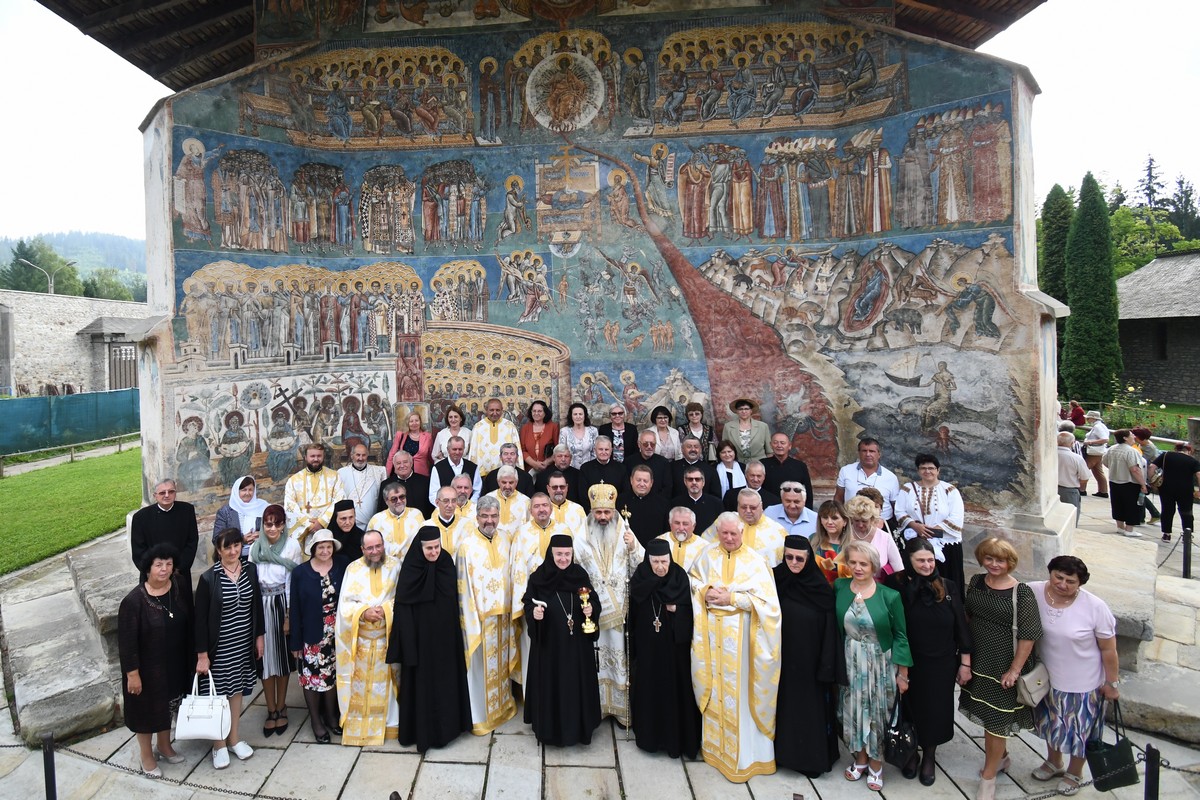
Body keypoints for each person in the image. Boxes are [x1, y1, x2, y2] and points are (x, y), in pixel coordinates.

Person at [689, 512, 782, 782]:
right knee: (716, 690)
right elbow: (692, 579)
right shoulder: (707, 555)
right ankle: (716, 750)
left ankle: (747, 758)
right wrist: (704, 591)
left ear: (742, 532)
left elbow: (770, 607)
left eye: (733, 533)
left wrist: (734, 598)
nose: (728, 538)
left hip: (743, 644)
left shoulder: (756, 562)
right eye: (724, 533)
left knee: (739, 698)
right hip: (711, 638)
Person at [959, 538, 1043, 800]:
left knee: (996, 722)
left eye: (1000, 560)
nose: (994, 564)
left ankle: (988, 777)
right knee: (986, 716)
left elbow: (1029, 635)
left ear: (1010, 562)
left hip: (1004, 664)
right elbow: (968, 617)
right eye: (989, 559)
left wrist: (1014, 670)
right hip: (979, 659)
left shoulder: (1022, 593)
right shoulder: (976, 582)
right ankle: (1001, 758)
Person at [1029, 556, 1120, 797]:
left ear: (1080, 583)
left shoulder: (1095, 606)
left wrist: (1112, 683)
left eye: (1070, 581)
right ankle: (1053, 761)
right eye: (1058, 577)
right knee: (1051, 723)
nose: (1062, 584)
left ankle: (1074, 772)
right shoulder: (1033, 591)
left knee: (1079, 730)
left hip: (1084, 681)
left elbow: (1109, 649)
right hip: (1046, 676)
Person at [886, 539, 972, 785]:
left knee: (935, 710)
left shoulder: (947, 586)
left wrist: (965, 662)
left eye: (930, 560)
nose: (926, 565)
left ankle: (930, 756)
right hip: (908, 661)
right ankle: (911, 751)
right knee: (910, 708)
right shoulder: (897, 583)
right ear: (909, 561)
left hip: (940, 662)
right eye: (920, 560)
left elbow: (961, 626)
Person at [835, 540, 912, 792]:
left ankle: (876, 764)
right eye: (853, 562)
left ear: (874, 566)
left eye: (863, 564)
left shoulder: (889, 596)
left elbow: (901, 635)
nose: (857, 568)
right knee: (853, 710)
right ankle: (860, 758)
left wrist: (903, 673)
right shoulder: (840, 587)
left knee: (878, 713)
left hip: (880, 663)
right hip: (849, 660)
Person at [387, 526, 472, 753]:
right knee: (421, 686)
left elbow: (452, 598)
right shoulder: (411, 567)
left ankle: (448, 729)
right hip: (420, 640)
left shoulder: (445, 562)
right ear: (420, 547)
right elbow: (403, 605)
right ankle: (421, 733)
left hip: (445, 639)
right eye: (429, 548)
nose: (434, 552)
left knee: (446, 684)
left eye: (436, 547)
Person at [774, 535, 846, 778]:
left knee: (809, 711)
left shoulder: (820, 590)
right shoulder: (776, 579)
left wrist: (826, 665)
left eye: (799, 558)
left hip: (810, 664)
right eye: (789, 557)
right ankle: (783, 756)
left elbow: (829, 632)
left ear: (808, 559)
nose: (793, 562)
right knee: (783, 709)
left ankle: (811, 760)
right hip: (781, 660)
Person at [119, 543, 192, 778]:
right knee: (146, 712)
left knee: (169, 706)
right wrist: (133, 674)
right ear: (148, 568)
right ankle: (146, 755)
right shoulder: (134, 602)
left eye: (168, 564)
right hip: (147, 671)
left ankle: (164, 745)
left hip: (174, 664)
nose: (164, 569)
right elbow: (127, 642)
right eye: (158, 564)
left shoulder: (179, 586)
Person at [195, 528, 265, 770]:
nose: (233, 551)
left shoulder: (250, 570)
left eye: (237, 546)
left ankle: (234, 738)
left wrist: (259, 637)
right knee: (218, 696)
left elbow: (257, 606)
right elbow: (200, 621)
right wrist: (202, 655)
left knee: (236, 692)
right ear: (219, 550)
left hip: (242, 645)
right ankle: (218, 744)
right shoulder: (209, 579)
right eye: (228, 547)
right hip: (219, 648)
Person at [522, 534, 602, 746]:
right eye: (559, 554)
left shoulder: (580, 575)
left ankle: (579, 729)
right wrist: (534, 615)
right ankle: (550, 730)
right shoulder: (539, 577)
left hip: (577, 647)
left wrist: (591, 608)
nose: (563, 559)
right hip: (550, 646)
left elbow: (593, 599)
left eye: (567, 554)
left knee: (577, 687)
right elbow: (529, 603)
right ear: (551, 554)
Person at [574, 483, 643, 725]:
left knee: (617, 659)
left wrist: (633, 545)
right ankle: (597, 709)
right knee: (593, 661)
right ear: (591, 512)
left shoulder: (626, 532)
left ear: (614, 512)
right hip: (590, 612)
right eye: (598, 513)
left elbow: (640, 565)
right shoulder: (580, 537)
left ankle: (619, 710)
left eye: (607, 512)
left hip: (618, 613)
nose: (603, 517)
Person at [628, 538, 700, 759]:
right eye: (656, 562)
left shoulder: (679, 577)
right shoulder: (640, 578)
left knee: (675, 691)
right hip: (648, 649)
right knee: (649, 690)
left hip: (673, 651)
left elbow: (691, 612)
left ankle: (674, 740)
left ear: (670, 559)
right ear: (648, 561)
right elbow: (633, 610)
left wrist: (677, 609)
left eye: (664, 561)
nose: (660, 567)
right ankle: (650, 739)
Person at [456, 496, 518, 734]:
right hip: (480, 620)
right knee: (482, 671)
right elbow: (463, 589)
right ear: (477, 517)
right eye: (485, 516)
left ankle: (503, 708)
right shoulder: (466, 545)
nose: (489, 521)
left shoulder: (506, 538)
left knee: (501, 668)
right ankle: (480, 716)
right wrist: (471, 622)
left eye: (493, 516)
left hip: (503, 617)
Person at [336, 530, 401, 745]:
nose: (375, 552)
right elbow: (344, 605)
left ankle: (389, 725)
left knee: (388, 686)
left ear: (384, 545)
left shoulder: (395, 566)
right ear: (362, 549)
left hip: (386, 637)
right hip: (360, 641)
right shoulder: (352, 569)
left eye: (378, 546)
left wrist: (385, 609)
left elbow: (402, 597)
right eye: (370, 548)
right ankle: (358, 727)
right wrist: (363, 611)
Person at [289, 529, 348, 743]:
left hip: (337, 634)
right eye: (321, 547)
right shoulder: (300, 573)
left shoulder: (342, 565)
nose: (325, 551)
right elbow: (295, 608)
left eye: (328, 546)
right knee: (312, 678)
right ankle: (316, 721)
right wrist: (295, 641)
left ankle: (332, 717)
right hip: (312, 636)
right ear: (313, 549)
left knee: (332, 677)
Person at [249, 504, 300, 737]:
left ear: (283, 524)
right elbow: (252, 582)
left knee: (282, 659)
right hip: (261, 604)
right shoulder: (254, 549)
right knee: (266, 660)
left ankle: (282, 705)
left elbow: (292, 580)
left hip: (281, 603)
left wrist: (288, 615)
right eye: (267, 523)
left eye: (277, 523)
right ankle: (270, 709)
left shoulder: (291, 546)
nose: (272, 528)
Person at [896, 453, 965, 597]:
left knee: (944, 577)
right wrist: (915, 526)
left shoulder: (950, 490)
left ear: (938, 470)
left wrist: (934, 530)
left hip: (944, 543)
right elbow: (899, 511)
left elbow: (957, 516)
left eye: (931, 468)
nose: (927, 471)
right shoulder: (907, 489)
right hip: (915, 539)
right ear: (918, 470)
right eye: (923, 468)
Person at [130, 479, 199, 606]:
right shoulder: (141, 518)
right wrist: (156, 570)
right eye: (162, 492)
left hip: (180, 572)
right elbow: (138, 549)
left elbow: (192, 541)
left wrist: (178, 567)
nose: (167, 495)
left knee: (182, 609)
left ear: (175, 493)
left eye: (171, 491)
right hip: (153, 576)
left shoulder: (187, 511)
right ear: (154, 495)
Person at [284, 443, 347, 547]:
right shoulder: (294, 480)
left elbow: (339, 500)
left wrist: (322, 522)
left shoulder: (334, 476)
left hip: (327, 527)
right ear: (305, 457)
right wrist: (308, 524)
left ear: (323, 457)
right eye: (312, 456)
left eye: (319, 456)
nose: (316, 459)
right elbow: (290, 506)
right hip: (304, 529)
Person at [835, 437, 901, 526]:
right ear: (859, 453)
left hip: (881, 524)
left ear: (879, 454)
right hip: (852, 522)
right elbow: (839, 497)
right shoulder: (846, 471)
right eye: (864, 451)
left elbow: (895, 506)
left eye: (872, 451)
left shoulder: (891, 477)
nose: (868, 454)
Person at [1101, 429, 1149, 537]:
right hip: (1129, 482)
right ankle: (1129, 529)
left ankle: (1120, 527)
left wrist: (1115, 468)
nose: (1134, 437)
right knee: (1131, 505)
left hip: (1114, 480)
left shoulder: (1112, 449)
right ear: (1125, 438)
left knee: (1117, 503)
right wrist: (1143, 484)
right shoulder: (1131, 451)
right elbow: (1135, 469)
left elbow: (1104, 461)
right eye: (1131, 435)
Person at [844, 495, 904, 579]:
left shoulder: (884, 537)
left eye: (864, 521)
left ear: (872, 519)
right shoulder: (844, 534)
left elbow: (898, 568)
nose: (860, 525)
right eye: (856, 520)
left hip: (879, 586)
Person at [1151, 443, 1200, 542]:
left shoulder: (1166, 455)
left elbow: (1151, 467)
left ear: (1175, 449)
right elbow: (1199, 475)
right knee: (1186, 511)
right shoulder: (1193, 461)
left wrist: (1152, 480)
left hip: (1166, 487)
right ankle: (1187, 535)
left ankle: (1166, 534)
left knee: (1167, 509)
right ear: (1189, 451)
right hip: (1185, 489)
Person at [370, 481, 425, 559]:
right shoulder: (376, 520)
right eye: (394, 499)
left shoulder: (416, 514)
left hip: (414, 564)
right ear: (386, 501)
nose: (399, 501)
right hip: (387, 566)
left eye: (402, 497)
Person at [213, 475, 266, 556]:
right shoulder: (225, 512)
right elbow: (216, 539)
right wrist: (241, 540)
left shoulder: (262, 507)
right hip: (234, 557)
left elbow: (274, 527)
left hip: (260, 555)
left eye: (250, 490)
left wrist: (261, 534)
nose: (247, 493)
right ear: (236, 491)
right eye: (244, 490)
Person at [618, 464, 671, 545]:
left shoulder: (663, 504)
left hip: (652, 550)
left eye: (645, 481)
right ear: (631, 480)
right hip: (625, 549)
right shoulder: (619, 501)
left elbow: (666, 533)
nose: (642, 484)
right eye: (638, 480)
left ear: (651, 483)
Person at [469, 398, 522, 476]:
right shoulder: (478, 427)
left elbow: (517, 450)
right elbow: (473, 451)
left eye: (497, 410)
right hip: (483, 475)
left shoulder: (509, 426)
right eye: (491, 410)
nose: (494, 413)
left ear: (502, 410)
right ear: (486, 410)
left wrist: (519, 470)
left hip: (506, 475)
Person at [339, 443, 387, 529]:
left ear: (367, 455)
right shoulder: (341, 473)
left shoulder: (378, 472)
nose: (360, 458)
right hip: (350, 525)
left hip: (373, 523)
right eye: (358, 455)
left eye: (363, 455)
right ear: (352, 455)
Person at [428, 434, 481, 506]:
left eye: (460, 449)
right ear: (448, 449)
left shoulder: (473, 467)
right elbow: (433, 494)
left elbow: (477, 490)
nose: (457, 452)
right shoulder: (437, 468)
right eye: (454, 449)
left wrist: (469, 506)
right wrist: (446, 507)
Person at [762, 432, 814, 506]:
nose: (779, 446)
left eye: (782, 443)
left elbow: (808, 493)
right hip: (768, 508)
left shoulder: (800, 466)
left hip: (794, 507)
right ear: (771, 445)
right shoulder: (762, 465)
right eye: (775, 443)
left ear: (789, 446)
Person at [671, 464, 722, 533]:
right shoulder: (675, 504)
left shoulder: (716, 504)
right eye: (690, 479)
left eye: (697, 479)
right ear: (685, 482)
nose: (694, 482)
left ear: (703, 482)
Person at [578, 436, 627, 507]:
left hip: (615, 510)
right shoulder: (585, 468)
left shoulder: (621, 468)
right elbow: (583, 495)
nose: (604, 452)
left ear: (611, 450)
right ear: (595, 450)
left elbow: (625, 492)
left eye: (606, 449)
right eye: (600, 449)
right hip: (592, 511)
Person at [811, 500, 852, 583]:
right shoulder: (812, 540)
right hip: (817, 592)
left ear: (845, 521)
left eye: (834, 518)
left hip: (844, 592)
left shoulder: (854, 545)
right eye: (825, 517)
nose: (829, 522)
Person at [383, 450, 433, 519]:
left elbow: (431, 508)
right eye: (398, 463)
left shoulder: (426, 482)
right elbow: (382, 509)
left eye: (405, 462)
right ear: (394, 465)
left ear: (411, 463)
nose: (402, 466)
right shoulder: (385, 484)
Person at [1056, 431, 1092, 526]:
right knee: (1070, 521)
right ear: (1072, 443)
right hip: (1069, 491)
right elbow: (1085, 477)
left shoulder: (1048, 455)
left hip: (1050, 489)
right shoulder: (1076, 458)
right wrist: (1080, 486)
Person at [487, 465, 531, 538]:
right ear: (498, 482)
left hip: (517, 544)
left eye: (511, 483)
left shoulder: (526, 501)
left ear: (516, 482)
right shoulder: (488, 498)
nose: (507, 486)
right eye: (504, 482)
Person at [720, 397, 771, 462]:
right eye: (740, 409)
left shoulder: (763, 426)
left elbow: (769, 451)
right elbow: (724, 448)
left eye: (746, 409)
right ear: (737, 411)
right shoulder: (728, 427)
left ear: (751, 411)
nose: (744, 411)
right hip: (738, 463)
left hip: (759, 464)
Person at [627, 429, 675, 497]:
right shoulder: (629, 461)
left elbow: (667, 487)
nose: (649, 447)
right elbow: (627, 486)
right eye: (645, 444)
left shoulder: (664, 463)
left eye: (652, 444)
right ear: (639, 444)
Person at [386, 412, 435, 477]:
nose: (414, 423)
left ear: (420, 422)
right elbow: (392, 455)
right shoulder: (400, 435)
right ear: (407, 423)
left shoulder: (428, 436)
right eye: (411, 421)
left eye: (416, 420)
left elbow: (431, 456)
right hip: (403, 472)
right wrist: (387, 473)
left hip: (421, 474)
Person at [519, 400, 560, 474]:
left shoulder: (553, 427)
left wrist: (546, 462)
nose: (536, 413)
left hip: (548, 468)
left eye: (539, 411)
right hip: (529, 469)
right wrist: (534, 464)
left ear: (545, 413)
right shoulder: (525, 428)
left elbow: (558, 449)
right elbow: (522, 450)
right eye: (534, 411)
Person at [559, 402, 599, 468]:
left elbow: (595, 452)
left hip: (589, 469)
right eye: (575, 414)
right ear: (571, 416)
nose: (578, 417)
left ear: (585, 415)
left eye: (580, 414)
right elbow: (561, 452)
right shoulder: (564, 431)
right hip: (570, 469)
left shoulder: (593, 431)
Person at [1082, 410, 1110, 498]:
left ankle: (1081, 489)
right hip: (1098, 451)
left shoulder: (1098, 427)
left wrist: (1090, 442)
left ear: (1093, 418)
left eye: (1088, 418)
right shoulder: (1100, 426)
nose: (1087, 420)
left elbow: (1105, 439)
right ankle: (1103, 490)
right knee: (1098, 471)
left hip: (1093, 452)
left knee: (1085, 469)